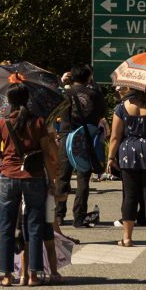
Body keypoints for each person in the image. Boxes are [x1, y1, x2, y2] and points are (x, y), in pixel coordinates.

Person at [0, 89, 56, 285]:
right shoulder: (38, 122)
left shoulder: (2, 123)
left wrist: (5, 160)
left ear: (9, 102)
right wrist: (52, 180)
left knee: (7, 227)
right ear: (28, 100)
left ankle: (7, 275)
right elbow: (46, 153)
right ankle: (33, 275)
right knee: (34, 226)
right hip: (33, 177)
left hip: (8, 177)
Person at [107, 83, 146, 248]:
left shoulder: (121, 108)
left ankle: (127, 238)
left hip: (129, 153)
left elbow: (115, 136)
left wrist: (110, 157)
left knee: (130, 196)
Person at [50, 70, 106, 227]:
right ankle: (79, 216)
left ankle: (59, 215)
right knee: (83, 178)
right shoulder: (95, 94)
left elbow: (55, 109)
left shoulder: (65, 93)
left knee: (62, 177)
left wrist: (62, 83)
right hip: (86, 137)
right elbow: (102, 112)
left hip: (67, 136)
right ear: (88, 78)